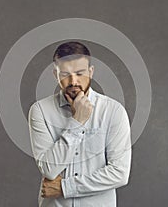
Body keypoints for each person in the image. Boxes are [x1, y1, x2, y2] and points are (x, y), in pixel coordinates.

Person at [28, 41, 132, 207]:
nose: (73, 81)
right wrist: (77, 122)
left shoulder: (113, 111)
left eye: (80, 73)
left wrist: (65, 187)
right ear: (55, 74)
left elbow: (119, 173)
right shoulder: (40, 111)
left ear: (91, 72)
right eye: (65, 74)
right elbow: (49, 169)